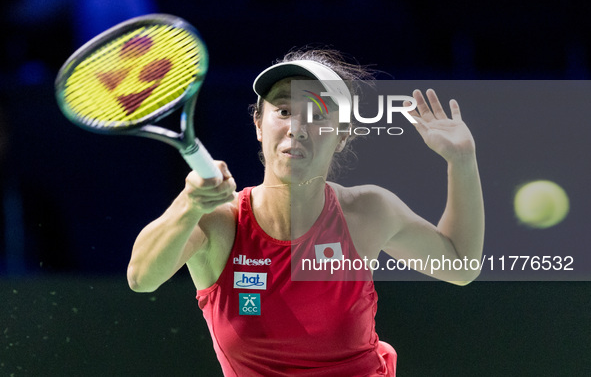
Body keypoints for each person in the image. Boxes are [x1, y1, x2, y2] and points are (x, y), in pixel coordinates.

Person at [127, 48, 485, 376]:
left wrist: (462, 161)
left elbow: (460, 263)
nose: (296, 129)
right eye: (283, 111)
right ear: (258, 124)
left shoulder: (368, 211)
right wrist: (188, 204)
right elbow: (142, 278)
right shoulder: (220, 222)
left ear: (342, 134)